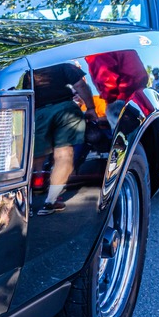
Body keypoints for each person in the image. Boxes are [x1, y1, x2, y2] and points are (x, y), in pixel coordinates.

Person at [30, 63, 97, 216]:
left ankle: (28, 203)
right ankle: (50, 201)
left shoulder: (31, 70)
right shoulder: (63, 65)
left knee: (35, 158)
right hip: (65, 109)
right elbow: (80, 85)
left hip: (38, 113)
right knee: (63, 155)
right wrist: (91, 108)